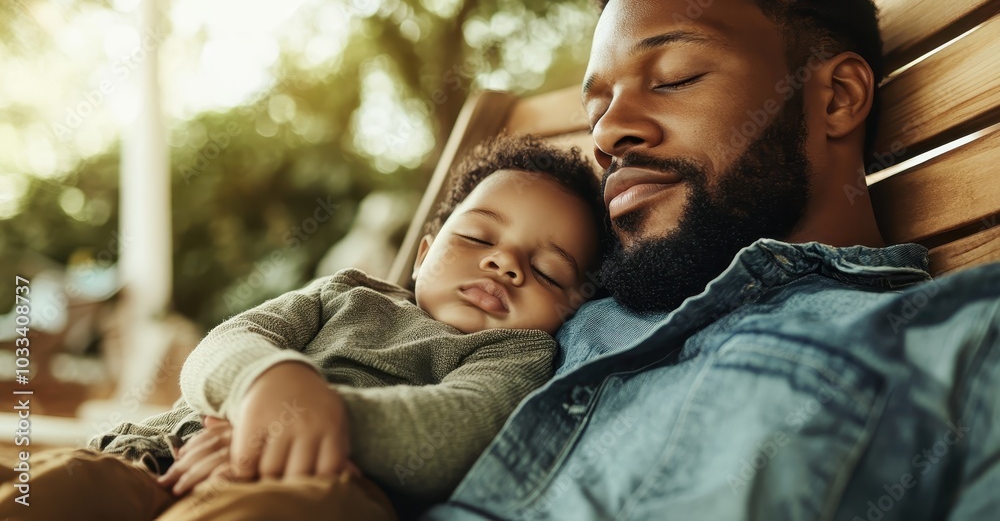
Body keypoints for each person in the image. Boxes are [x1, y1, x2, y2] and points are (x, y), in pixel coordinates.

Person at [422, 0, 1000, 520]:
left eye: (674, 77)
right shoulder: (551, 309)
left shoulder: (958, 353)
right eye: (595, 110)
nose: (605, 135)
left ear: (837, 97)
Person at [0, 134, 608, 520]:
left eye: (549, 272)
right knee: (62, 488)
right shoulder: (344, 292)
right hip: (158, 452)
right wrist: (268, 382)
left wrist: (303, 423)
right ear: (423, 255)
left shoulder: (516, 353)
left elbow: (454, 433)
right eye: (478, 237)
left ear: (571, 309)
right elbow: (223, 346)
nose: (506, 263)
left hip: (314, 489)